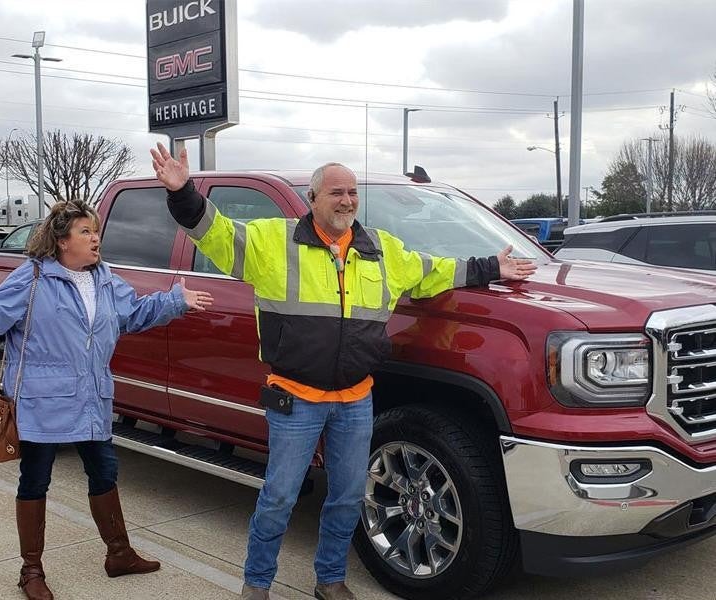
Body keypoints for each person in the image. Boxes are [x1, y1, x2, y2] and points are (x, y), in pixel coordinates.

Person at [150, 143, 536, 600]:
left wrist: (495, 266)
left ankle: (330, 580)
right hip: (295, 397)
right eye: (336, 192)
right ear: (314, 199)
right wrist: (182, 193)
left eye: (352, 192)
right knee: (278, 498)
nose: (346, 200)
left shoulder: (382, 251)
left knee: (349, 498)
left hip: (355, 399)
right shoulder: (273, 242)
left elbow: (435, 271)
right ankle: (256, 586)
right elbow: (213, 233)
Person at [0, 199, 213, 600]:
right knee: (36, 480)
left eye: (96, 231)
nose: (96, 238)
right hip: (43, 403)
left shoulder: (104, 278)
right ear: (62, 241)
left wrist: (174, 302)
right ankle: (31, 570)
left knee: (105, 473)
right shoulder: (32, 280)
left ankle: (119, 554)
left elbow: (133, 313)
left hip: (92, 398)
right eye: (85, 232)